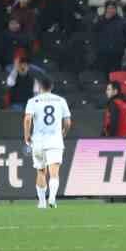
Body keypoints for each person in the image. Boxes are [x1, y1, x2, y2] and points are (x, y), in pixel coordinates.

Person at [23, 74, 72, 209]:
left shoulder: (33, 101)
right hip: (55, 140)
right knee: (54, 172)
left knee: (41, 171)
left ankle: (42, 202)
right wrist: (63, 133)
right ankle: (52, 198)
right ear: (52, 86)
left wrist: (27, 135)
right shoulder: (61, 100)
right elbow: (67, 122)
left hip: (38, 141)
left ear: (39, 87)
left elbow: (28, 119)